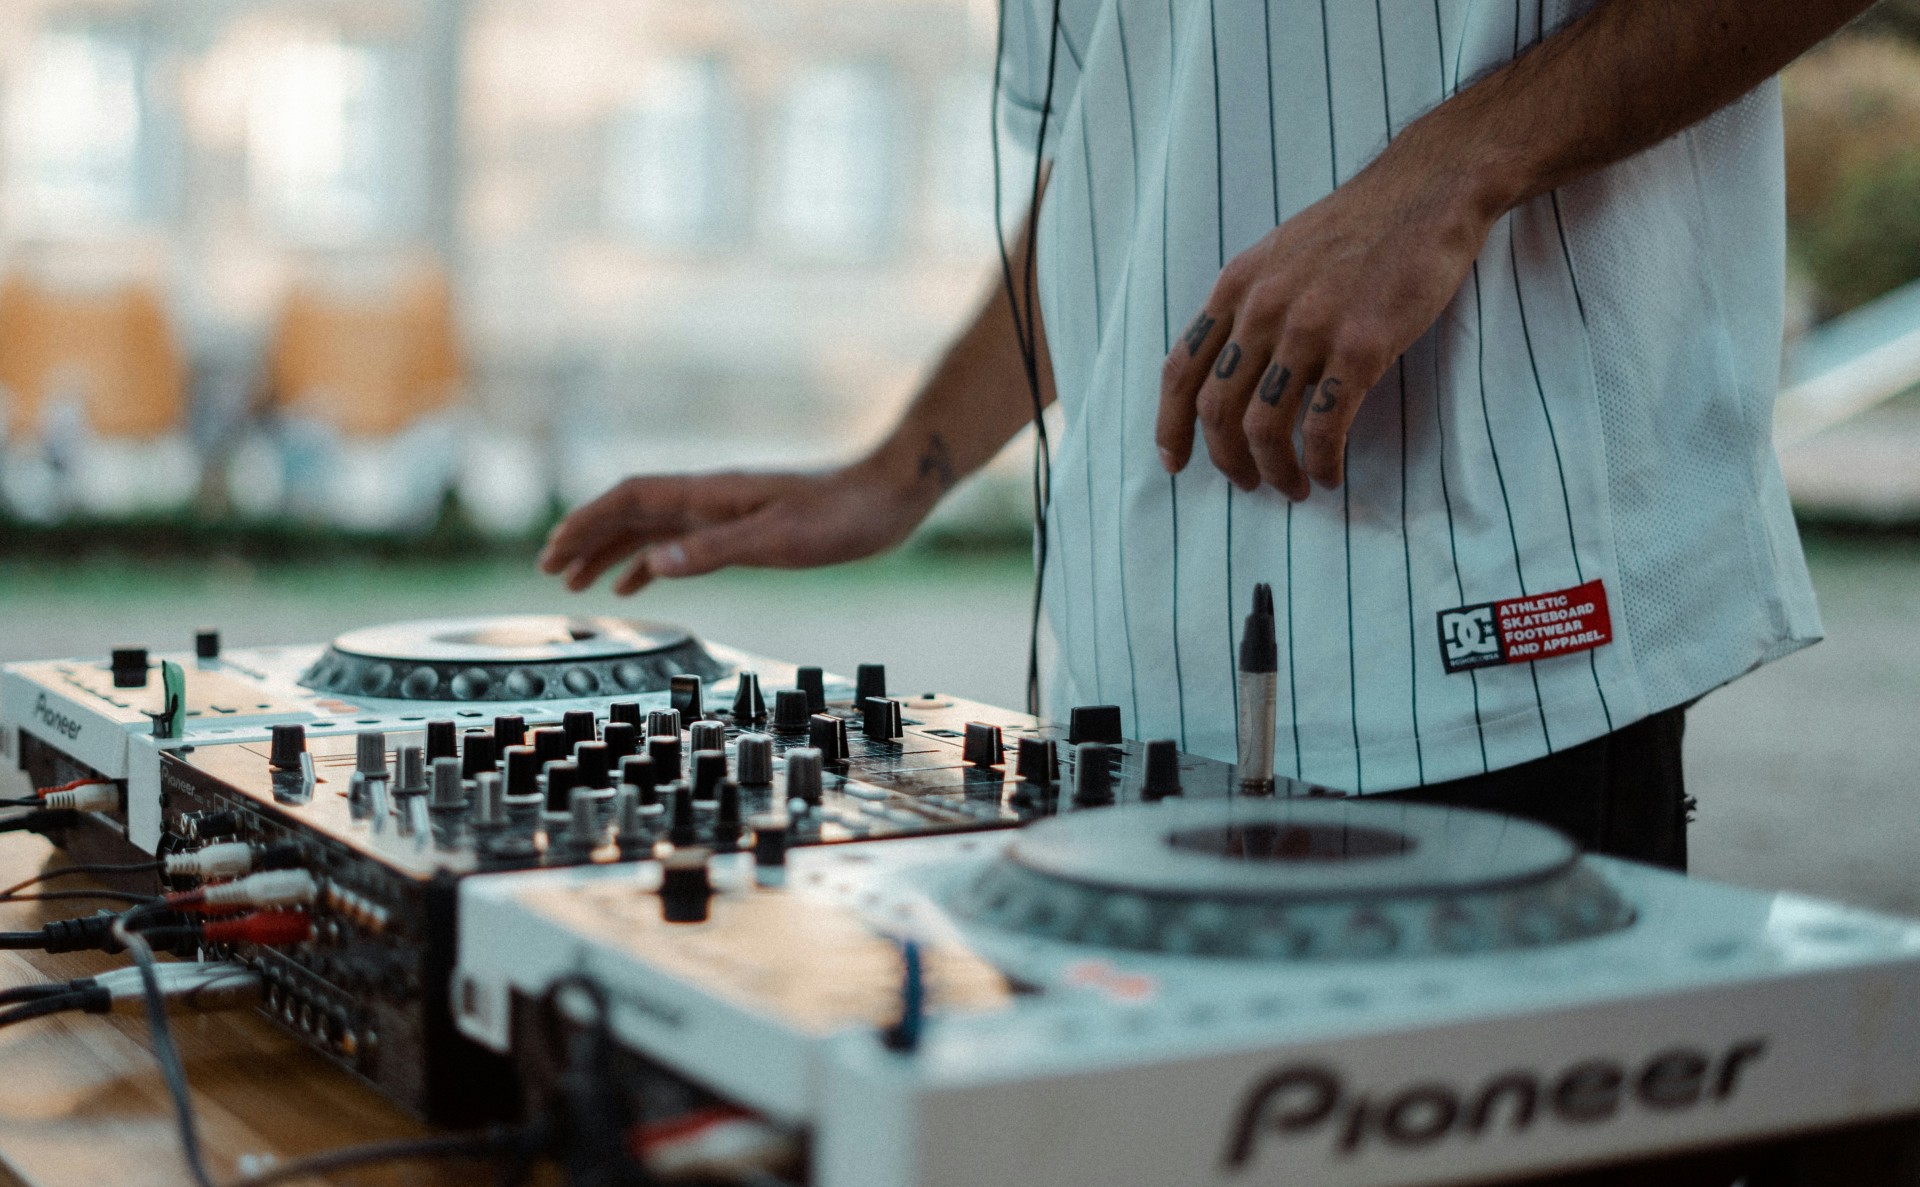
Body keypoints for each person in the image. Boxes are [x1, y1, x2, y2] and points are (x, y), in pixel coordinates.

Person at [539, 0, 1873, 869]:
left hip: (1502, 643)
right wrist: (901, 472)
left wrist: (1452, 170)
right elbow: (1121, 165)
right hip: (1135, 688)